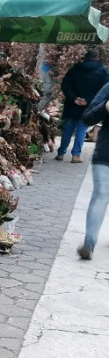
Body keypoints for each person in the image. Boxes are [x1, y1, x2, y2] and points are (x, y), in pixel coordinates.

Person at [57, 49, 109, 163]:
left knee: (68, 128)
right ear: (98, 58)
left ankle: (61, 153)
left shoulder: (75, 69)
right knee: (82, 129)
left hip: (72, 104)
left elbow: (65, 85)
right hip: (88, 106)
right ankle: (76, 155)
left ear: (85, 58)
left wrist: (74, 98)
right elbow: (104, 91)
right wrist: (88, 100)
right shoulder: (103, 72)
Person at [78, 82, 109, 258]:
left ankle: (90, 242)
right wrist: (105, 107)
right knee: (101, 195)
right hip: (106, 152)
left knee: (101, 195)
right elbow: (88, 117)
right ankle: (89, 243)